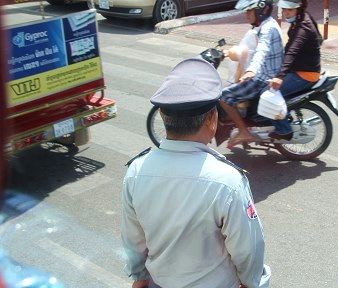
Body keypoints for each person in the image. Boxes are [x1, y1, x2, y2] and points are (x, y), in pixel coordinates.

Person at [121, 58, 271, 288]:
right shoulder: (227, 181)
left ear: (161, 115)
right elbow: (248, 249)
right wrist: (253, 283)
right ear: (212, 119)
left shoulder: (136, 172)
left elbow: (133, 240)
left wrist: (140, 277)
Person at [220, 0, 284, 148]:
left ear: (261, 11)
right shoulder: (265, 25)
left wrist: (251, 70)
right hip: (265, 73)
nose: (246, 14)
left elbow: (261, 51)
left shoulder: (268, 29)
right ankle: (246, 126)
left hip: (262, 78)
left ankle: (244, 131)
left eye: (250, 11)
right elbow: (249, 48)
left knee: (224, 97)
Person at [267, 0, 322, 140]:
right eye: (284, 9)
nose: (286, 13)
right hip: (301, 69)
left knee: (271, 94)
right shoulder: (303, 18)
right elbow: (319, 39)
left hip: (305, 74)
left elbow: (292, 52)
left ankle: (284, 130)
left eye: (289, 10)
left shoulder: (303, 26)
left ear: (298, 9)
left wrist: (280, 76)